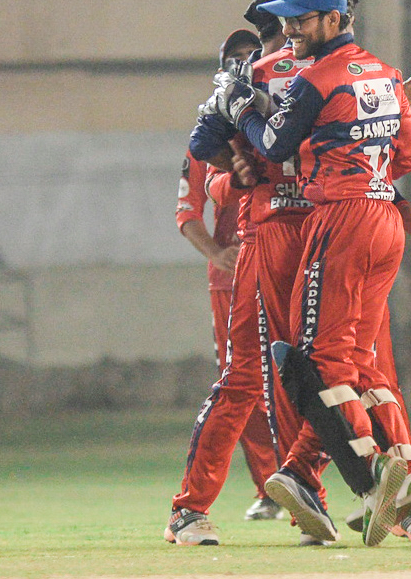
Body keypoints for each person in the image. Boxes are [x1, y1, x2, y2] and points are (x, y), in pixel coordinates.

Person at [211, 0, 411, 547]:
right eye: (285, 20)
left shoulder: (312, 78)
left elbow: (273, 144)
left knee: (316, 361)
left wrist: (241, 108)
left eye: (300, 20)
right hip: (384, 219)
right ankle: (391, 472)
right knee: (361, 359)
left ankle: (375, 473)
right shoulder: (385, 73)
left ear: (334, 19)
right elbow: (409, 154)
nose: (289, 29)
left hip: (336, 221)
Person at [174, 28, 286, 525]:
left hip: (289, 266)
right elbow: (188, 209)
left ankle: (307, 478)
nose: (245, 63)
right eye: (235, 58)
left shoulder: (285, 117)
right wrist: (217, 253)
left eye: (251, 55)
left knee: (301, 377)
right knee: (245, 384)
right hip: (235, 278)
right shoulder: (213, 134)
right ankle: (271, 486)